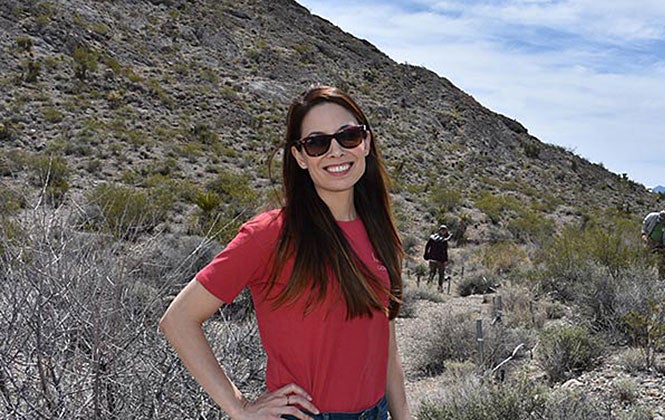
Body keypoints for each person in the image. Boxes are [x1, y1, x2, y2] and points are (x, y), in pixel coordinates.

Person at [159, 85, 410, 420]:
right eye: (317, 143)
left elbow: (384, 338)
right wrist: (240, 408)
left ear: (365, 142)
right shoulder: (271, 234)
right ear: (300, 157)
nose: (335, 152)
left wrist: (403, 414)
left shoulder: (380, 232)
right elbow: (178, 320)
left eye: (348, 136)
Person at [641, 209, 665, 280]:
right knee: (646, 257)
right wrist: (643, 233)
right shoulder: (651, 216)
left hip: (663, 243)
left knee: (662, 261)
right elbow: (645, 224)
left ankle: (661, 278)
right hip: (650, 240)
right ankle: (644, 274)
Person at [423, 224, 451, 292]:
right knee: (437, 273)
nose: (443, 232)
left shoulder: (433, 237)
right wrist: (445, 259)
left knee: (434, 273)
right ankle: (434, 287)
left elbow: (427, 246)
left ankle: (432, 287)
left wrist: (426, 254)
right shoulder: (444, 240)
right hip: (439, 260)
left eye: (444, 231)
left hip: (433, 258)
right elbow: (444, 250)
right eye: (443, 230)